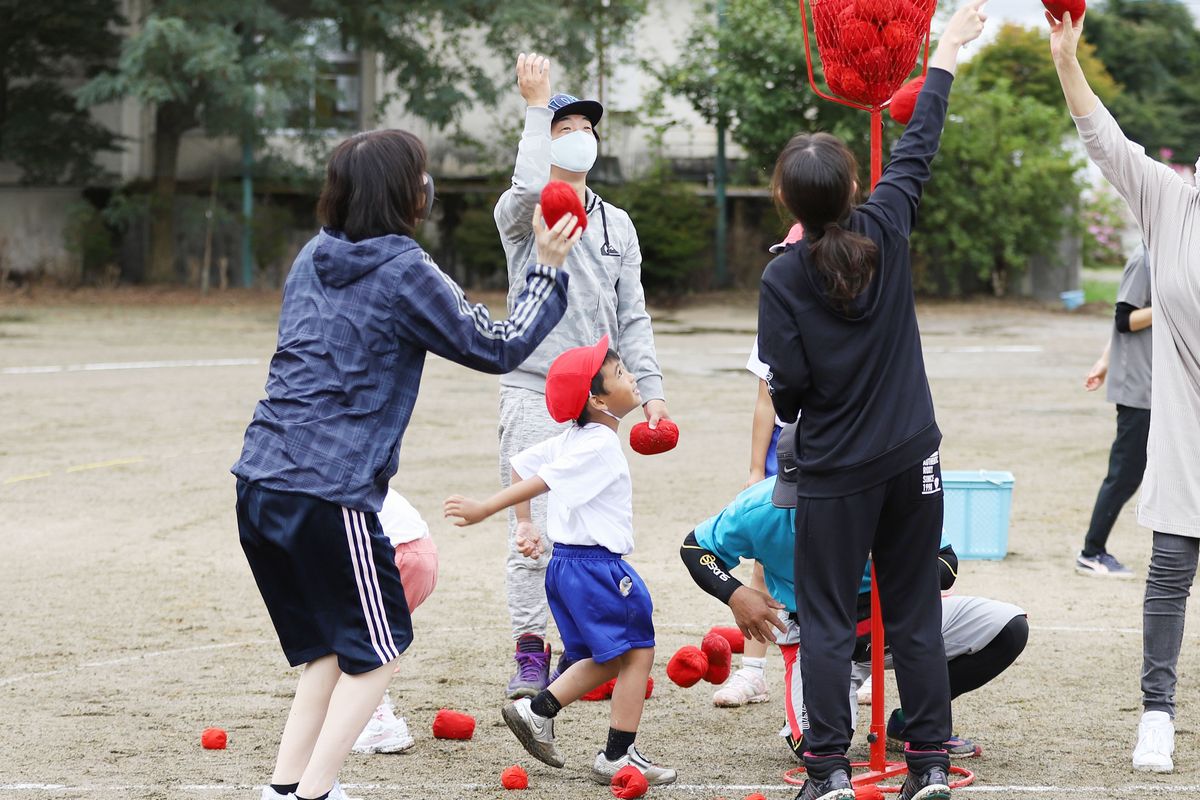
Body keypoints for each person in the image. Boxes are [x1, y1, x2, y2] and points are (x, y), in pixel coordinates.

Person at [232, 128, 580, 800]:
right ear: (405, 194)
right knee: (381, 646)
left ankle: (284, 791)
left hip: (259, 479)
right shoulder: (404, 269)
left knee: (331, 649)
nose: (428, 187)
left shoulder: (311, 256)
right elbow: (496, 345)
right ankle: (315, 793)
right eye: (421, 176)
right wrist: (545, 268)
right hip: (327, 490)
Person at [755, 4, 988, 799]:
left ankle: (825, 772)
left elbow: (785, 389)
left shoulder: (781, 277)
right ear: (855, 185)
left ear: (788, 201)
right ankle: (927, 765)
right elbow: (920, 139)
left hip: (836, 470)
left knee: (825, 622)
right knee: (916, 612)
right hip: (912, 456)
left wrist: (815, 397)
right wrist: (949, 46)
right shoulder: (889, 222)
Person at [681, 424, 1028, 762]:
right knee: (818, 749)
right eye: (796, 491)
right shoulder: (758, 507)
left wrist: (896, 568)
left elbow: (946, 563)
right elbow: (695, 548)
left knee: (1009, 627)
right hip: (813, 633)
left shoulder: (885, 497)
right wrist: (736, 594)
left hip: (894, 619)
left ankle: (911, 719)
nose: (806, 504)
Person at [1049, 8, 1200, 774]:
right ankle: (1157, 717)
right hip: (1184, 433)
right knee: (1169, 575)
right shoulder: (1173, 205)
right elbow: (1106, 142)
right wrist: (1069, 60)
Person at [493, 53, 670, 699]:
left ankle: (584, 653)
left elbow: (632, 315)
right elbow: (521, 191)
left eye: (586, 127)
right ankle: (530, 653)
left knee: (590, 535)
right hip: (533, 390)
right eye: (566, 126)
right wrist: (537, 107)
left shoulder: (616, 223)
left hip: (597, 402)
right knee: (532, 535)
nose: (579, 136)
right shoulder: (522, 215)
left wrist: (649, 392)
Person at [444, 337, 675, 787]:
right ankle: (616, 753)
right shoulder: (599, 447)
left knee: (603, 657)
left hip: (566, 568)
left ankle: (538, 712)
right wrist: (486, 510)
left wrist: (526, 526)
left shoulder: (575, 437)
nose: (632, 377)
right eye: (623, 374)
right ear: (597, 398)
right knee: (638, 650)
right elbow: (535, 481)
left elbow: (521, 462)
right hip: (597, 568)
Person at [715, 222, 804, 709]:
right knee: (765, 561)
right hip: (784, 458)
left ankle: (864, 664)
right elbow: (765, 402)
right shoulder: (775, 321)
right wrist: (755, 470)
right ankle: (753, 670)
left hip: (838, 456)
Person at [1075, 245, 1153, 578]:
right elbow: (1124, 319)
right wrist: (1169, 304)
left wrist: (1104, 361)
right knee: (1125, 475)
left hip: (1162, 388)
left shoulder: (1171, 252)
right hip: (1140, 391)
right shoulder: (1145, 258)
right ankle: (1091, 552)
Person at [351, 489, 438, 755]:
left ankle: (380, 723)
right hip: (423, 552)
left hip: (396, 556)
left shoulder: (316, 483)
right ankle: (366, 713)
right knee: (373, 640)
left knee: (359, 641)